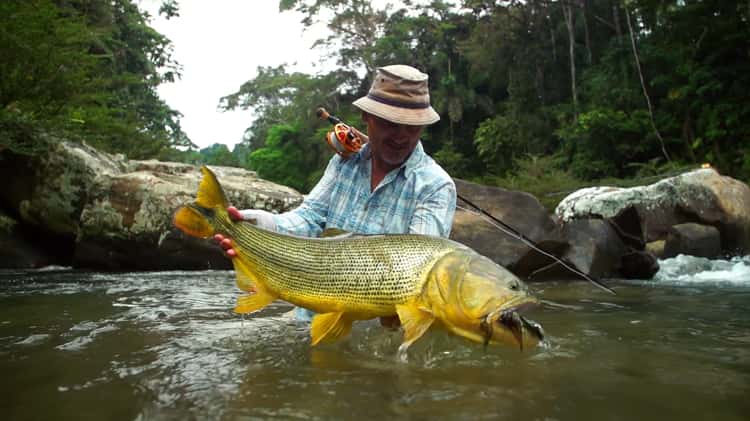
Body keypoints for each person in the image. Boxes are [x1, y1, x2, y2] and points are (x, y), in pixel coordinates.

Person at [215, 64, 457, 323]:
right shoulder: (345, 163)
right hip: (308, 316)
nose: (401, 136)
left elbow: (418, 273)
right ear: (367, 117)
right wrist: (258, 225)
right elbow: (310, 218)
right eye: (389, 124)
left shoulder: (436, 187)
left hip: (377, 339)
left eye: (411, 127)